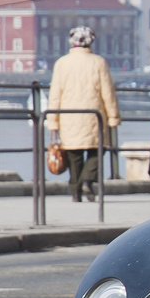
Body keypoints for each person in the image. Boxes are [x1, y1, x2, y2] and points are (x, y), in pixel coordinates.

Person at [46, 25, 121, 202]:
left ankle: (75, 191)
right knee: (97, 151)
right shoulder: (98, 62)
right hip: (94, 115)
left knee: (73, 155)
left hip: (68, 116)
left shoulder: (62, 63)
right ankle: (88, 180)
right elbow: (107, 92)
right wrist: (113, 117)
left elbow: (55, 93)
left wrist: (53, 121)